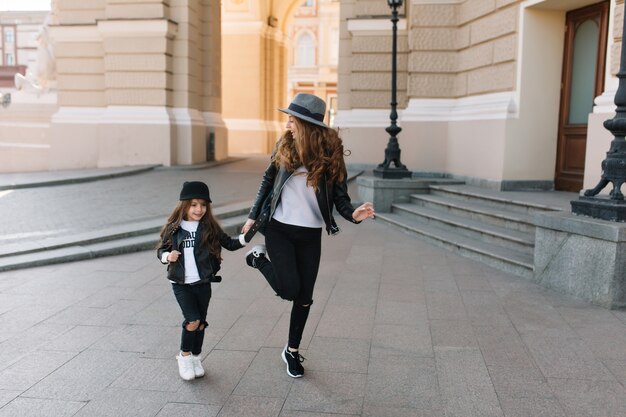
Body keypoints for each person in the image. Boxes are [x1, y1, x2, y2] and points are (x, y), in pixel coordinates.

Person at [241, 93, 375, 378]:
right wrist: (253, 216)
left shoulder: (330, 155)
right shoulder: (284, 146)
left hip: (310, 234)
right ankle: (258, 258)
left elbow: (340, 198)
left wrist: (353, 214)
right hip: (278, 228)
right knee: (289, 289)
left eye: (292, 119)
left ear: (305, 123)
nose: (287, 123)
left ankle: (291, 351)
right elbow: (267, 180)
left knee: (304, 297)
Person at [157, 181, 247, 381]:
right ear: (184, 205)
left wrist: (246, 237)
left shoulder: (209, 228)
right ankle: (184, 356)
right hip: (181, 284)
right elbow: (161, 250)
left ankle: (196, 357)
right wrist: (167, 257)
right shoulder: (174, 228)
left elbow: (230, 244)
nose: (199, 209)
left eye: (203, 205)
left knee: (201, 324)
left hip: (203, 283)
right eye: (194, 204)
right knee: (192, 320)